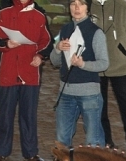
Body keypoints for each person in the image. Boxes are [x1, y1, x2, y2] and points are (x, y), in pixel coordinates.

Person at [0, 0, 54, 161]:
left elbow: (47, 41)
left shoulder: (40, 13)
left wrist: (40, 56)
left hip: (30, 72)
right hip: (7, 72)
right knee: (5, 114)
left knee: (29, 115)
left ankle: (31, 153)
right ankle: (1, 152)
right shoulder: (2, 11)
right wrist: (6, 44)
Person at [90, 0, 126, 160]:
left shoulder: (125, 6)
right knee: (99, 110)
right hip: (95, 68)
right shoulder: (86, 5)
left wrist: (122, 51)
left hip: (120, 68)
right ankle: (106, 145)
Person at [51, 0, 109, 147]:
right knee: (62, 138)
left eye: (81, 3)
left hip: (89, 94)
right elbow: (54, 61)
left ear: (87, 8)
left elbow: (104, 63)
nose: (76, 8)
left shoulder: (96, 32)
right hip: (65, 93)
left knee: (93, 140)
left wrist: (82, 64)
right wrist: (58, 48)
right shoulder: (65, 29)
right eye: (73, 3)